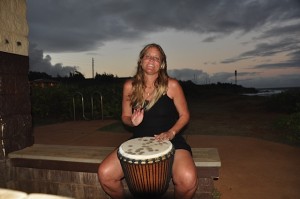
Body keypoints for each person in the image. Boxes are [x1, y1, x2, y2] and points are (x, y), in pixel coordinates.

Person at [98, 43, 198, 199]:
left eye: (156, 58)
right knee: (105, 174)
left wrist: (171, 132)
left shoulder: (172, 85)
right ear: (141, 60)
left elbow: (185, 115)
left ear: (162, 63)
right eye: (148, 56)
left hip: (171, 141)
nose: (152, 60)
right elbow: (125, 117)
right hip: (139, 142)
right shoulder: (129, 86)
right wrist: (132, 122)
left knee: (188, 180)